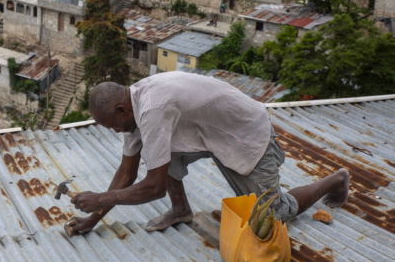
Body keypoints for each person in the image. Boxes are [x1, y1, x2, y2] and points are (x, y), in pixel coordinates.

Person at [65, 73, 350, 236]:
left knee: (276, 214)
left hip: (243, 133)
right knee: (160, 154)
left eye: (112, 125)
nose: (115, 131)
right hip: (210, 134)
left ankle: (336, 178)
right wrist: (91, 221)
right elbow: (126, 173)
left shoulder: (152, 110)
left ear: (121, 110)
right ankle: (181, 210)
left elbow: (154, 188)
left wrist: (100, 198)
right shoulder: (133, 107)